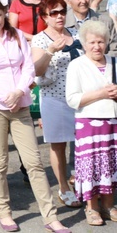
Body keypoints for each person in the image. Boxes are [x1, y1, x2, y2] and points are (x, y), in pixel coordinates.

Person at [0, 0, 70, 233]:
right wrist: (7, 96)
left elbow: (28, 67)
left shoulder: (15, 35)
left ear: (4, 14)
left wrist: (19, 91)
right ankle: (4, 213)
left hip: (21, 104)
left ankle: (50, 216)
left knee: (34, 162)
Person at [30, 0, 82, 209]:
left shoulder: (76, 33)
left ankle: (83, 182)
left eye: (62, 11)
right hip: (55, 98)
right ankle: (63, 187)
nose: (60, 16)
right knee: (59, 145)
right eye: (54, 13)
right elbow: (37, 71)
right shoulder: (40, 40)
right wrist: (51, 51)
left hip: (80, 97)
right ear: (45, 17)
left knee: (82, 144)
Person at [65, 20, 117, 226]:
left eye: (101, 42)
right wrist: (101, 93)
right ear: (84, 44)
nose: (97, 46)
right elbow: (73, 99)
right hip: (88, 123)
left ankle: (109, 205)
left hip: (112, 121)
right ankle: (91, 208)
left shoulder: (114, 62)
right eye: (92, 42)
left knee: (111, 165)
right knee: (90, 167)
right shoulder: (77, 65)